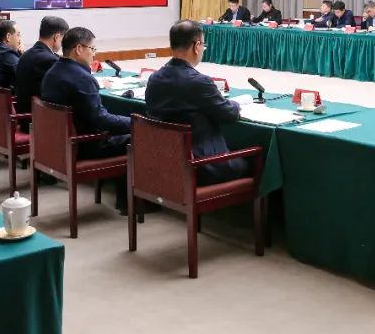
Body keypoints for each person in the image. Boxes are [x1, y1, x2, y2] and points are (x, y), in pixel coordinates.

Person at [145, 21, 248, 185]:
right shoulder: (199, 82)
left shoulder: (154, 78)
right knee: (255, 157)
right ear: (197, 46)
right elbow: (229, 115)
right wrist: (235, 104)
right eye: (203, 45)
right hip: (200, 165)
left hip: (165, 161)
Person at [40, 27, 131, 210]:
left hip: (57, 144)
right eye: (92, 49)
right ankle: (129, 202)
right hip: (83, 146)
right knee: (136, 136)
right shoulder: (82, 78)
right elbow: (100, 120)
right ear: (79, 49)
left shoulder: (53, 72)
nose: (94, 54)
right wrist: (133, 122)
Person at [14, 16, 69, 114]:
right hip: (36, 118)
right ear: (56, 37)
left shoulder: (26, 54)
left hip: (25, 112)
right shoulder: (50, 60)